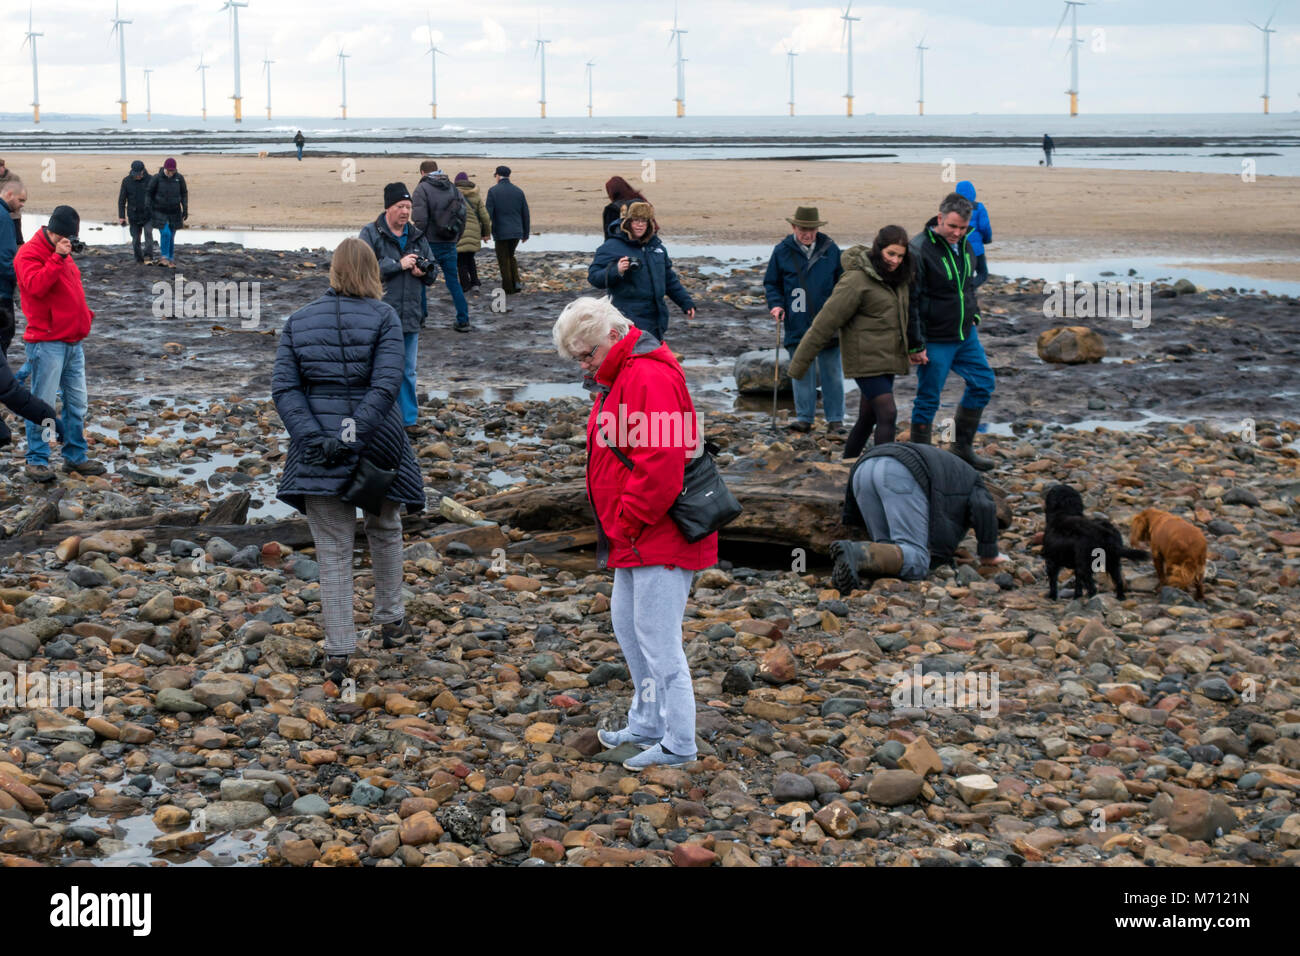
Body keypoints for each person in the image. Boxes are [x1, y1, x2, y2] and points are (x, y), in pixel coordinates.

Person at [552, 296, 716, 770]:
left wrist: (625, 519)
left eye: (587, 354)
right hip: (633, 531)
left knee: (659, 638)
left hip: (656, 530)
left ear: (612, 334)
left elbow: (662, 466)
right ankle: (646, 721)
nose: (583, 364)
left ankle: (680, 743)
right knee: (628, 625)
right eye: (577, 357)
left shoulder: (648, 374)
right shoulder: (621, 373)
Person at [272, 238, 426, 683]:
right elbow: (385, 385)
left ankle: (339, 652)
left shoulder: (298, 321)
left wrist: (315, 438)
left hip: (318, 448)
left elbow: (285, 390)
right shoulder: (385, 316)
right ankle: (391, 620)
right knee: (385, 526)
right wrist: (352, 434)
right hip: (377, 444)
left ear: (334, 271)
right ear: (373, 273)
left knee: (333, 549)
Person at [789, 225, 914, 459]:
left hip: (888, 357)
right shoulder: (856, 281)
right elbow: (824, 323)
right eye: (891, 254)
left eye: (900, 255)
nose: (895, 260)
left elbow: (908, 316)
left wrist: (916, 345)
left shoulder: (899, 278)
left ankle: (848, 463)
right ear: (878, 249)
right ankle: (881, 472)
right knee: (888, 413)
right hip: (864, 359)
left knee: (868, 418)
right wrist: (798, 365)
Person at [830, 440, 1007, 593]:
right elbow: (984, 506)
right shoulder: (976, 483)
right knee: (918, 560)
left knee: (886, 545)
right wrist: (989, 554)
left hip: (864, 467)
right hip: (899, 471)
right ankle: (855, 553)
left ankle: (859, 562)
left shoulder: (956, 476)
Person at [14, 205, 105, 481]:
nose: (69, 242)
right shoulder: (28, 254)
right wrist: (57, 257)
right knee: (42, 405)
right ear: (52, 232)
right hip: (47, 342)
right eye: (65, 237)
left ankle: (75, 457)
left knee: (77, 403)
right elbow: (35, 287)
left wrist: (84, 318)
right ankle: (37, 459)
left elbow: (71, 289)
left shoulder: (62, 251)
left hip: (73, 342)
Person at [907, 192, 996, 471]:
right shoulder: (919, 249)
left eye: (963, 227)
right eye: (952, 226)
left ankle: (961, 448)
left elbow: (967, 286)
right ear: (940, 217)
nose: (957, 232)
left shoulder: (966, 244)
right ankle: (921, 460)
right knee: (929, 397)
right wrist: (915, 343)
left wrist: (974, 313)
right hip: (934, 339)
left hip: (965, 335)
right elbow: (911, 300)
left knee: (983, 384)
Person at [359, 183, 438, 435]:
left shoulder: (416, 235)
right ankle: (374, 418)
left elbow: (432, 270)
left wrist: (423, 271)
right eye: (400, 206)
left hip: (410, 315)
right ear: (388, 208)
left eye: (408, 207)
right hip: (378, 316)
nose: (405, 212)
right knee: (377, 369)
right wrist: (398, 265)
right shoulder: (371, 233)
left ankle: (408, 421)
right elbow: (365, 268)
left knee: (407, 370)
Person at [763, 206, 844, 433]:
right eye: (802, 229)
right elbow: (772, 283)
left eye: (811, 229)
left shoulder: (831, 250)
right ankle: (804, 419)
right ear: (793, 227)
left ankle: (835, 420)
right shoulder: (782, 251)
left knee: (832, 373)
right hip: (796, 323)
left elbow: (843, 283)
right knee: (801, 373)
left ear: (817, 228)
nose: (807, 234)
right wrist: (776, 304)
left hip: (827, 324)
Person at [587, 201, 695, 341]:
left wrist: (686, 303)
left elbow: (669, 279)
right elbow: (594, 277)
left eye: (643, 220)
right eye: (635, 220)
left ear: (649, 223)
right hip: (626, 318)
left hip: (656, 318)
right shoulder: (611, 247)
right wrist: (616, 270)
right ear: (627, 222)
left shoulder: (657, 248)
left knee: (651, 358)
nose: (640, 224)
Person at [411, 160, 470, 332]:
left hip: (429, 243)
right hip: (450, 242)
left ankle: (421, 317)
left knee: (421, 279)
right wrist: (456, 237)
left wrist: (417, 239)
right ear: (437, 170)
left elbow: (420, 220)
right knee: (453, 282)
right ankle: (463, 319)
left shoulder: (421, 189)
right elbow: (463, 216)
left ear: (422, 172)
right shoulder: (453, 188)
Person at [485, 165, 530, 295]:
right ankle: (516, 283)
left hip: (501, 231)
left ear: (498, 176)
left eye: (495, 176)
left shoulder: (493, 191)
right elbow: (525, 213)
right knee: (510, 256)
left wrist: (485, 233)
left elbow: (488, 214)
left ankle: (508, 288)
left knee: (503, 259)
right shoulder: (518, 191)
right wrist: (525, 233)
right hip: (517, 230)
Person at [0, 175, 26, 356]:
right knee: (5, 335)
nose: (22, 204)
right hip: (2, 291)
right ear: (10, 194)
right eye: (21, 200)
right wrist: (21, 279)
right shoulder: (4, 218)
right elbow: (4, 258)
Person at [454, 172, 491, 295]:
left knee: (460, 261)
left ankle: (465, 286)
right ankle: (475, 283)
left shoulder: (452, 196)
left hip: (459, 231)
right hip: (474, 231)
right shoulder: (476, 195)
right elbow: (485, 217)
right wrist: (486, 233)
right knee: (470, 258)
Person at [147, 158, 188, 268]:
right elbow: (149, 193)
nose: (170, 173)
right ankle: (164, 257)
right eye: (168, 170)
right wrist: (149, 208)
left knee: (171, 236)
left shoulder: (179, 178)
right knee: (166, 233)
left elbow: (184, 193)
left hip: (175, 212)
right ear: (164, 168)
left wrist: (185, 208)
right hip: (160, 211)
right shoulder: (157, 178)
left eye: (172, 171)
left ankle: (170, 258)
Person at [954, 181, 992, 288]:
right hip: (976, 249)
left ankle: (964, 291)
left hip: (958, 248)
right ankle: (969, 290)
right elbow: (984, 227)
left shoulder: (953, 208)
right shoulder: (979, 207)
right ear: (973, 192)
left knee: (963, 273)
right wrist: (987, 239)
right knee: (982, 273)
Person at [117, 160, 154, 265]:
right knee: (135, 239)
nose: (137, 176)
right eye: (135, 174)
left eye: (139, 174)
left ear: (143, 171)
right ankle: (138, 259)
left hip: (148, 214)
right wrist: (121, 216)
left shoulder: (151, 180)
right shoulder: (126, 181)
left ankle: (148, 257)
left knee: (148, 233)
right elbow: (122, 200)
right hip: (133, 215)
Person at [0, 160, 22, 246]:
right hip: (1, 214)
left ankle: (20, 256)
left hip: (14, 214)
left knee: (18, 239)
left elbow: (20, 194)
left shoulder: (14, 178)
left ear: (3, 167)